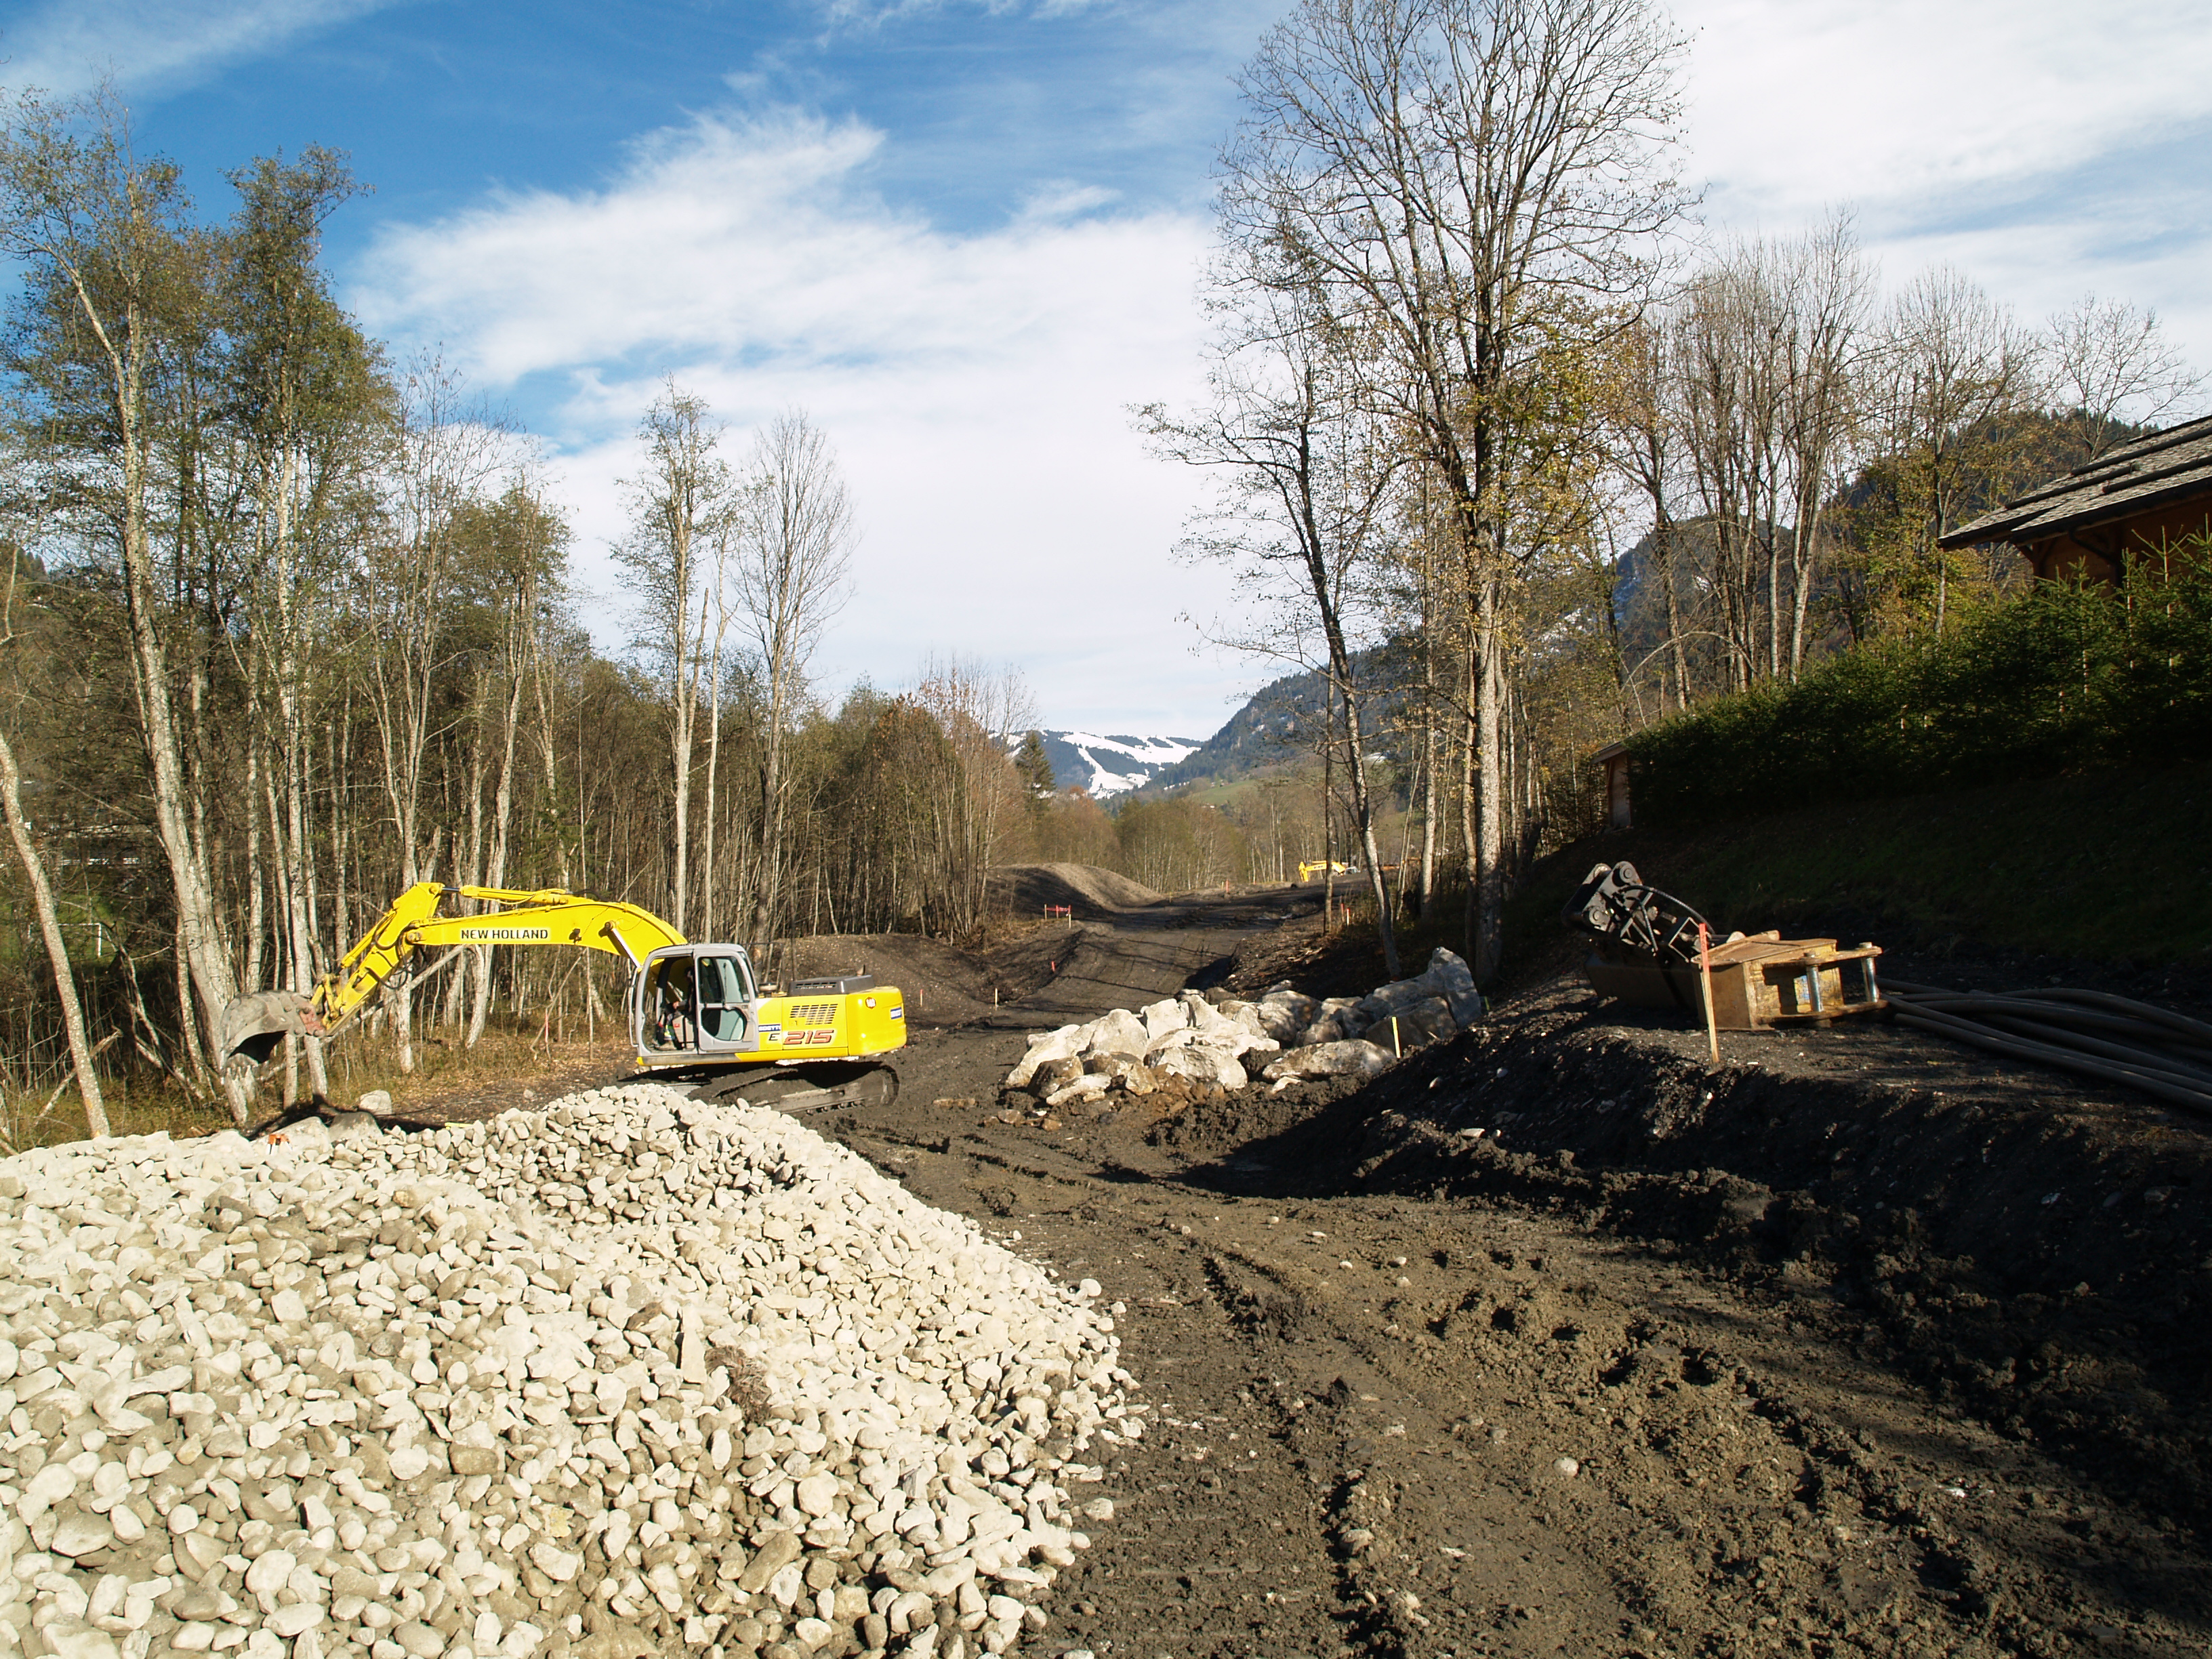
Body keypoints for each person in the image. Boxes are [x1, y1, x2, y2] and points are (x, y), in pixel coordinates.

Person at [653, 980, 694, 1049]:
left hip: (693, 1014)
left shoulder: (695, 987)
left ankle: (670, 1040)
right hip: (693, 1012)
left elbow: (692, 1000)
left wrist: (679, 1004)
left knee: (671, 1016)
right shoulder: (698, 985)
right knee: (669, 1010)